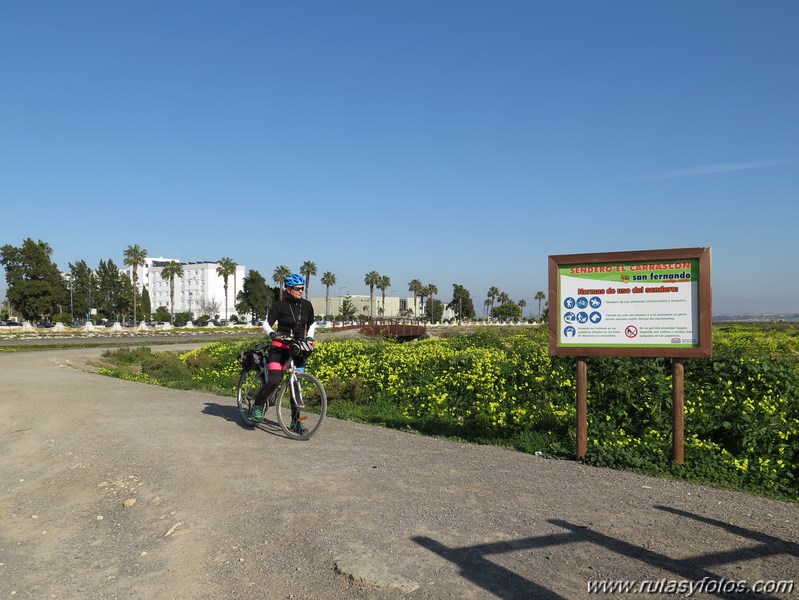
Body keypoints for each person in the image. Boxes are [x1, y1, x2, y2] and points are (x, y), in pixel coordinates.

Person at [251, 273, 317, 433]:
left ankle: (297, 422)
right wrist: (272, 334)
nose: (301, 291)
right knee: (274, 379)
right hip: (279, 347)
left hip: (298, 348)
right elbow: (266, 323)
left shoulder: (307, 305)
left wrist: (309, 337)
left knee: (296, 385)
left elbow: (312, 323)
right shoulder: (280, 305)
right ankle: (258, 405)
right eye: (297, 288)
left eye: (303, 288)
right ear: (289, 289)